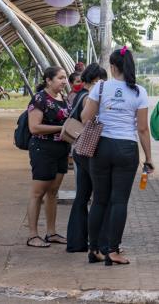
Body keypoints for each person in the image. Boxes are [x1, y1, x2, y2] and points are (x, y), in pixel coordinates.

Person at [80, 46, 154, 265]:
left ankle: (94, 249)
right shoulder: (139, 91)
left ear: (112, 67)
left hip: (101, 147)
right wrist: (148, 158)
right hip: (126, 149)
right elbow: (142, 129)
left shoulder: (100, 87)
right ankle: (112, 250)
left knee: (99, 200)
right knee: (119, 201)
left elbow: (85, 118)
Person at [25, 66, 71, 248]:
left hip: (61, 149)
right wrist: (62, 129)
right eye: (60, 78)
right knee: (38, 193)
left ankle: (51, 233)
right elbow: (34, 127)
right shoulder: (39, 99)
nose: (64, 81)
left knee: (53, 192)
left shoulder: (64, 99)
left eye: (65, 78)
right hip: (43, 149)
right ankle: (32, 235)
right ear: (48, 80)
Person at [66, 63, 108, 253]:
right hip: (90, 149)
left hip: (79, 148)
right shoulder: (89, 98)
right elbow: (91, 119)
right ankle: (98, 242)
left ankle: (76, 242)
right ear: (96, 80)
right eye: (103, 80)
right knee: (99, 198)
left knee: (81, 197)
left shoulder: (78, 95)